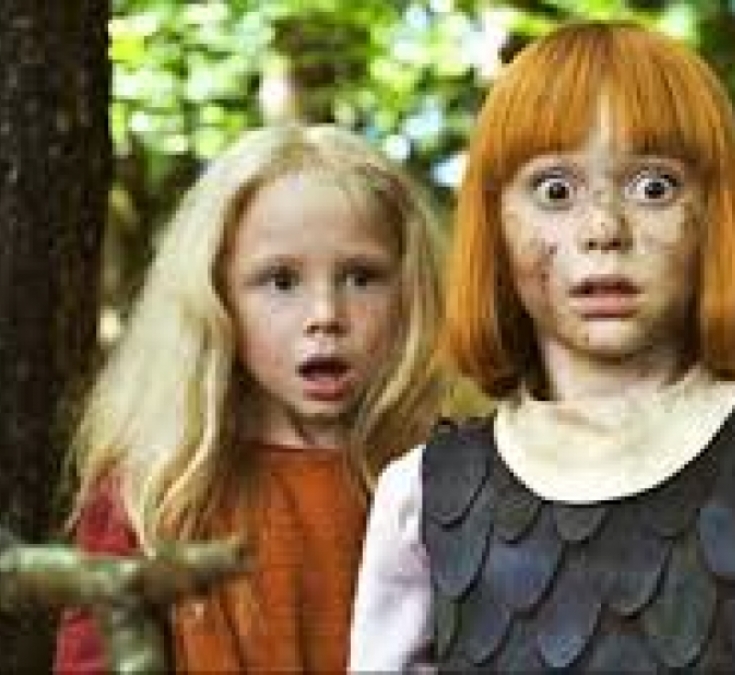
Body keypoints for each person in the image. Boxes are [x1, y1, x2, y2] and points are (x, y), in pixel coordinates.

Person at [349, 21, 735, 672]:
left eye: (654, 187)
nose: (604, 228)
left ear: (715, 216)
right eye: (555, 190)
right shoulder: (421, 498)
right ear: (496, 223)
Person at [54, 124, 445, 672]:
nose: (326, 316)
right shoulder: (157, 488)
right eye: (281, 281)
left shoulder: (446, 475)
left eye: (361, 277)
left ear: (410, 292)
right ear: (217, 298)